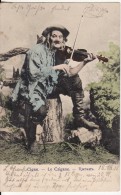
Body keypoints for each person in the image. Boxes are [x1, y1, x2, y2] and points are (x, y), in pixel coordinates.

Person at [11, 25, 99, 150]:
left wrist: (84, 62)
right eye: (54, 36)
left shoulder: (57, 53)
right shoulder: (36, 51)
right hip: (32, 87)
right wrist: (55, 68)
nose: (57, 39)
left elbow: (70, 73)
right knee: (40, 111)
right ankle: (31, 141)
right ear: (48, 38)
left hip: (48, 86)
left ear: (63, 40)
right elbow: (33, 74)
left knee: (75, 81)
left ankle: (79, 117)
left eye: (60, 37)